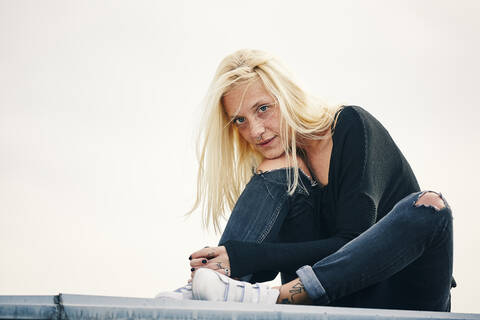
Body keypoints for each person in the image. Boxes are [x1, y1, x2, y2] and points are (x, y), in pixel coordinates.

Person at [165, 49, 454, 311]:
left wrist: (242, 256)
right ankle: (208, 286)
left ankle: (273, 297)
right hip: (335, 301)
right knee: (280, 168)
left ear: (288, 96)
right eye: (239, 120)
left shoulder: (351, 126)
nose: (255, 131)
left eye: (263, 108)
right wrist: (234, 262)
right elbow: (264, 265)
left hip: (404, 296)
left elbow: (352, 242)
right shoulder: (287, 165)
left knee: (430, 207)